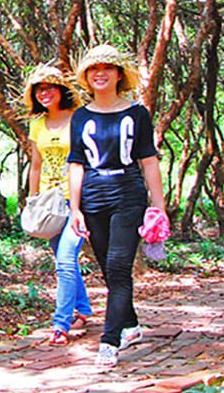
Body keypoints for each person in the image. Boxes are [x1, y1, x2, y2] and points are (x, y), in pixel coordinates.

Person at [68, 45, 167, 368]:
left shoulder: (137, 113)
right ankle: (132, 324)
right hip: (93, 197)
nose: (101, 73)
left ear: (119, 74)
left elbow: (148, 160)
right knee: (110, 270)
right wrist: (76, 209)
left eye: (108, 68)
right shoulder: (80, 116)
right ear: (86, 76)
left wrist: (159, 206)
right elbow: (77, 164)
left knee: (119, 267)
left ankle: (110, 341)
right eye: (94, 69)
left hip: (128, 194)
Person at [23, 63, 93, 345]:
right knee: (63, 260)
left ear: (61, 90)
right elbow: (36, 165)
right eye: (39, 89)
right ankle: (84, 310)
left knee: (65, 260)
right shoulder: (37, 123)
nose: (45, 93)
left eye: (50, 87)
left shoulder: (80, 118)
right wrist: (32, 199)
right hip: (49, 204)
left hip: (76, 198)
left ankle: (60, 325)